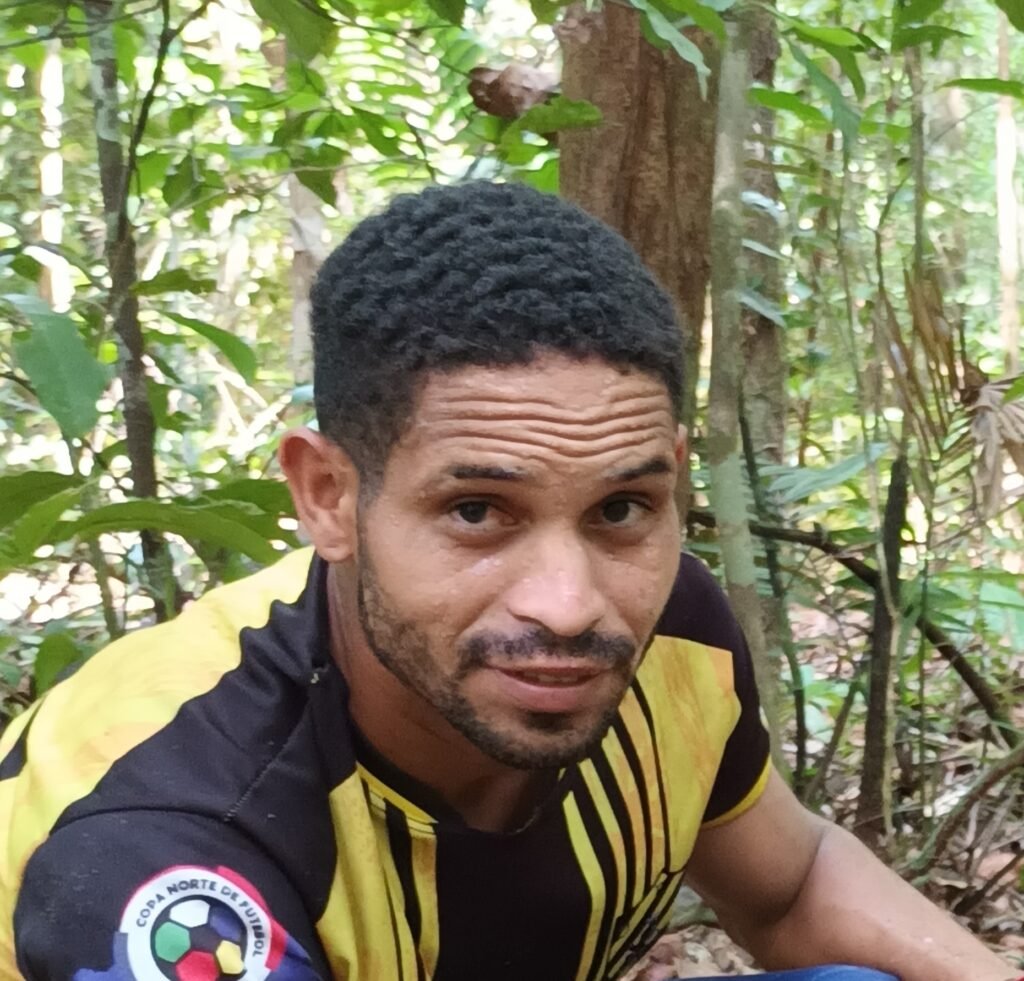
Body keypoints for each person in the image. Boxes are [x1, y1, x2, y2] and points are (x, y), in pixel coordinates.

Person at [0, 183, 1016, 981]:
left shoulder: (673, 636)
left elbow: (791, 886)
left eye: (621, 508)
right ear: (329, 496)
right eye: (478, 511)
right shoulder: (167, 839)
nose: (569, 605)